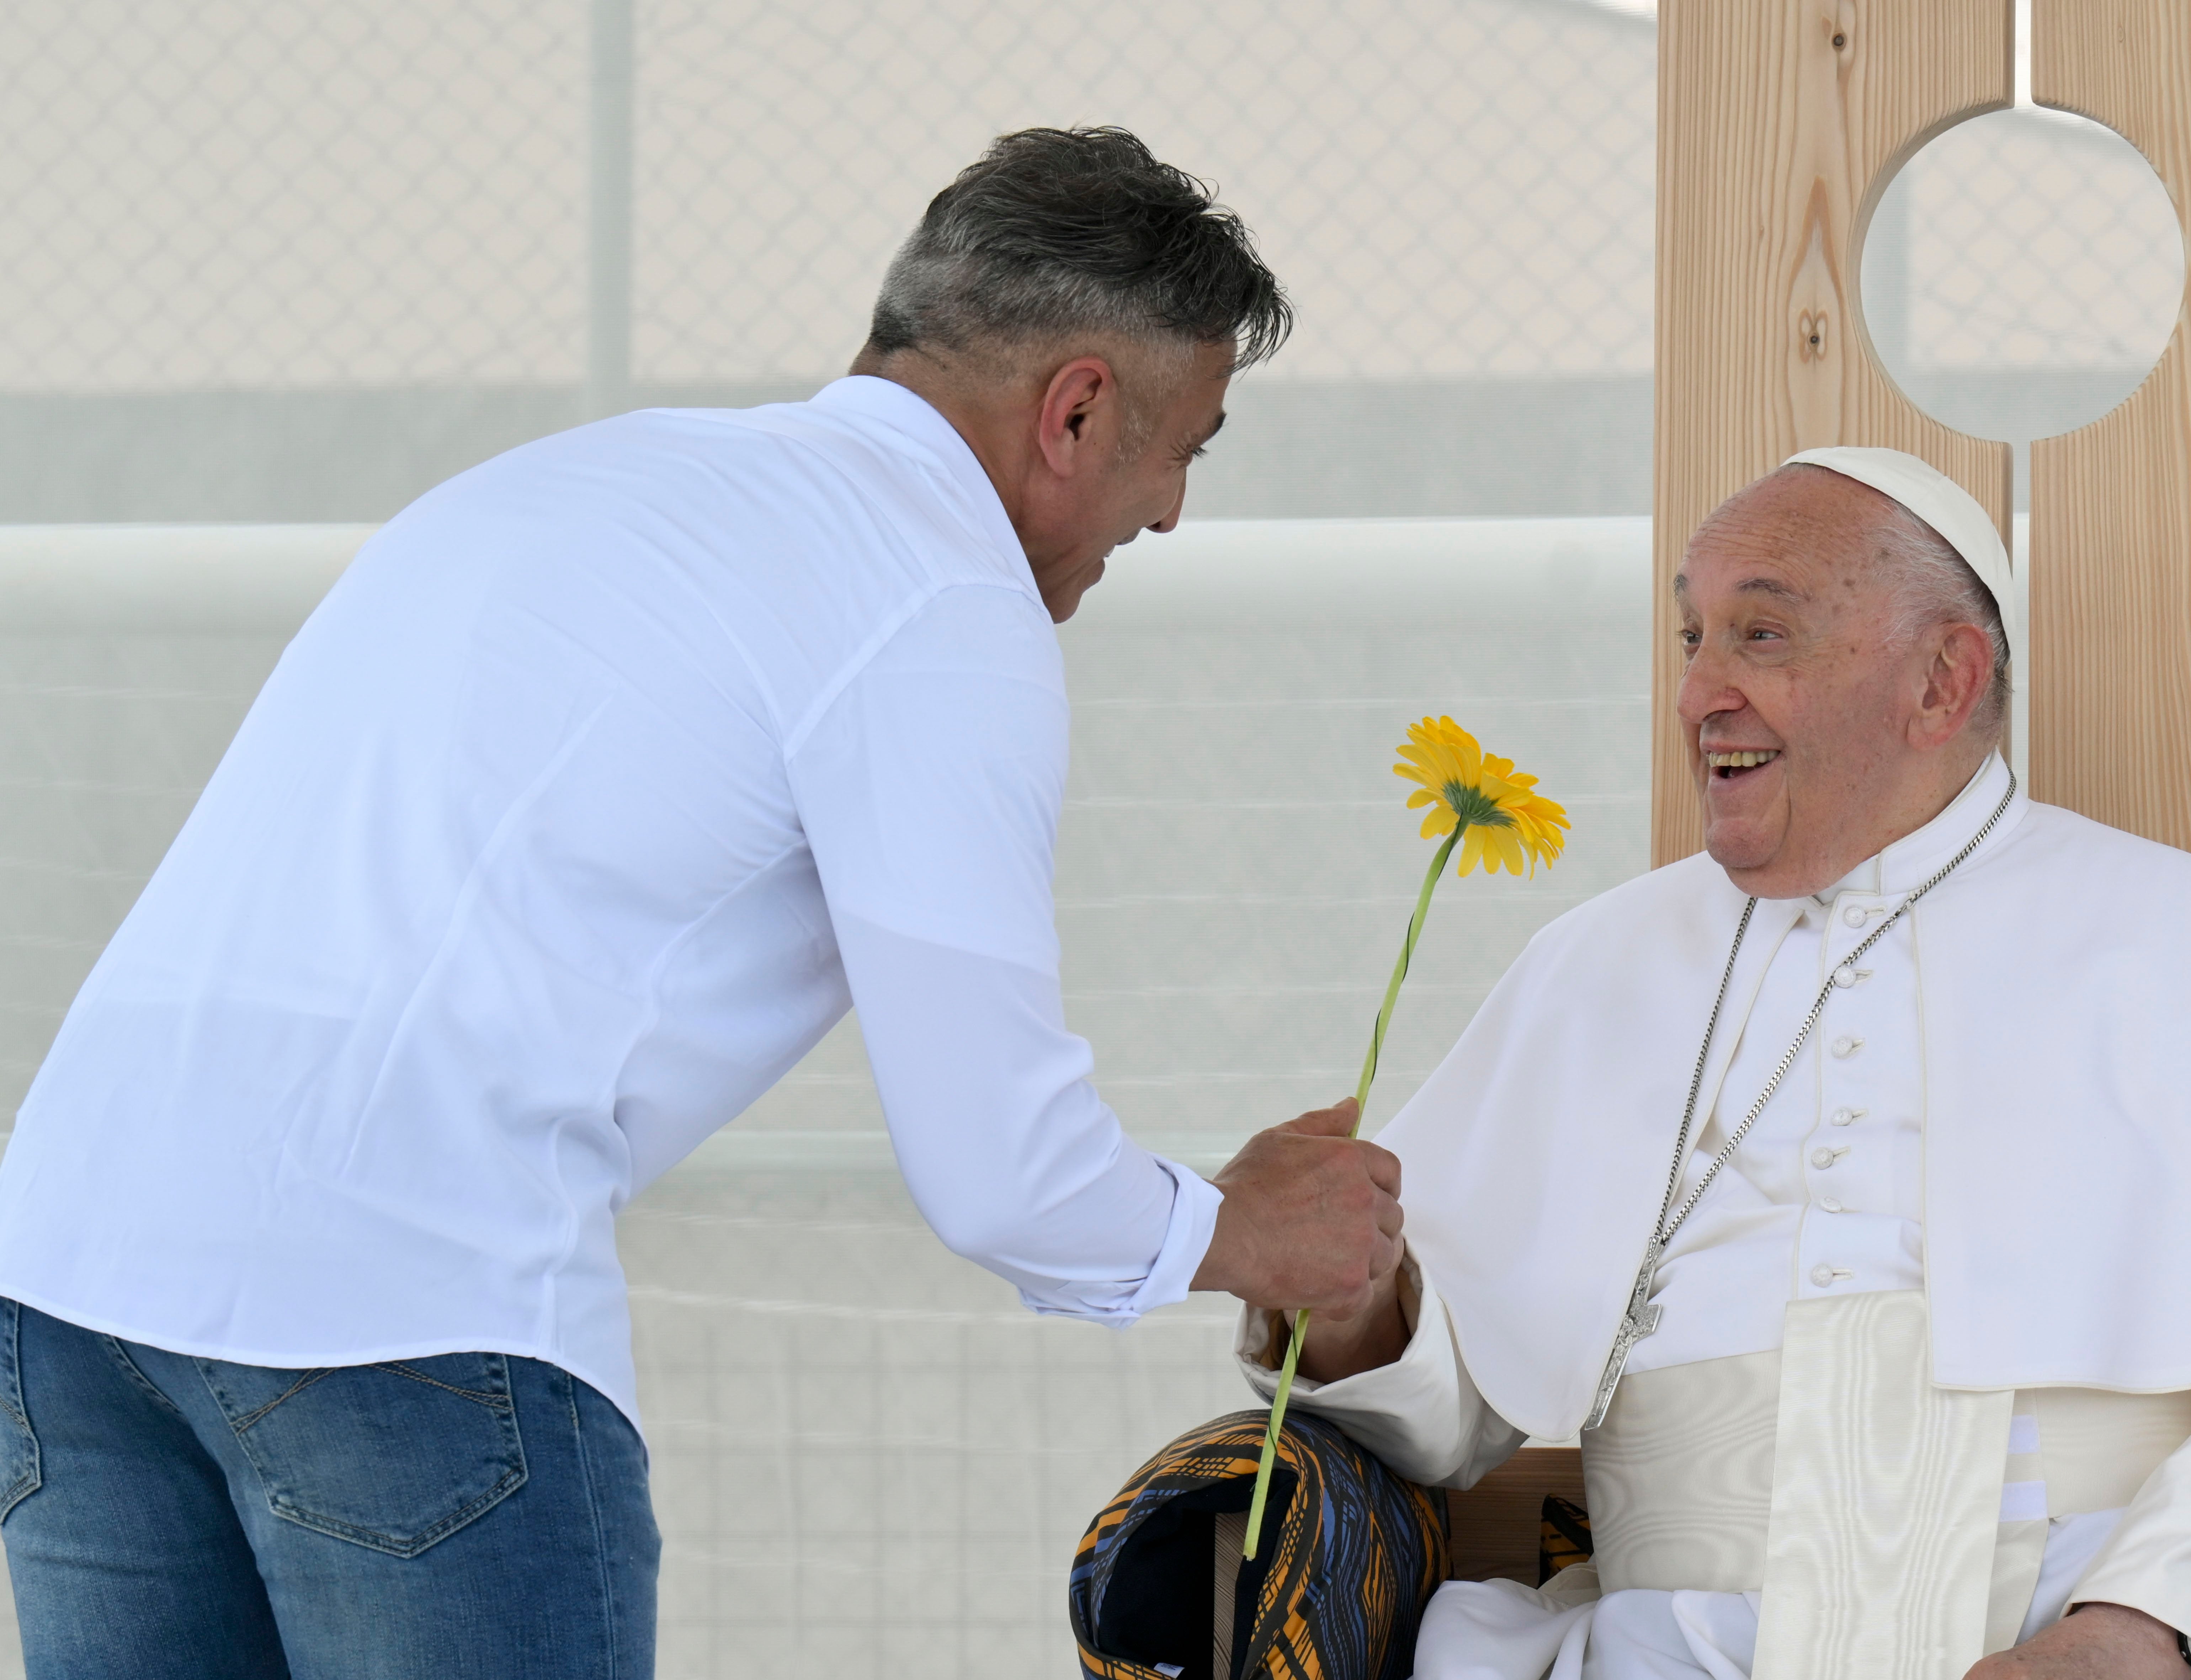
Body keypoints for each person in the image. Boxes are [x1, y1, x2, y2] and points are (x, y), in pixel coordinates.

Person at [0, 127, 1403, 1679]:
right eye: (1184, 448)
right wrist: (1243, 1232)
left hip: (65, 1271)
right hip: (394, 1309)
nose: (1170, 515)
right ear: (1075, 407)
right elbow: (1001, 1173)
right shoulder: (937, 595)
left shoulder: (590, 479)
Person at [1237, 448, 2191, 1680]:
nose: (1698, 693)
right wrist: (1354, 1302)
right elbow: (1450, 1414)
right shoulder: (1594, 966)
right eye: (1693, 639)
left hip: (2085, 1633)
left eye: (1763, 634)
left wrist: (2141, 1632)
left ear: (1942, 682)